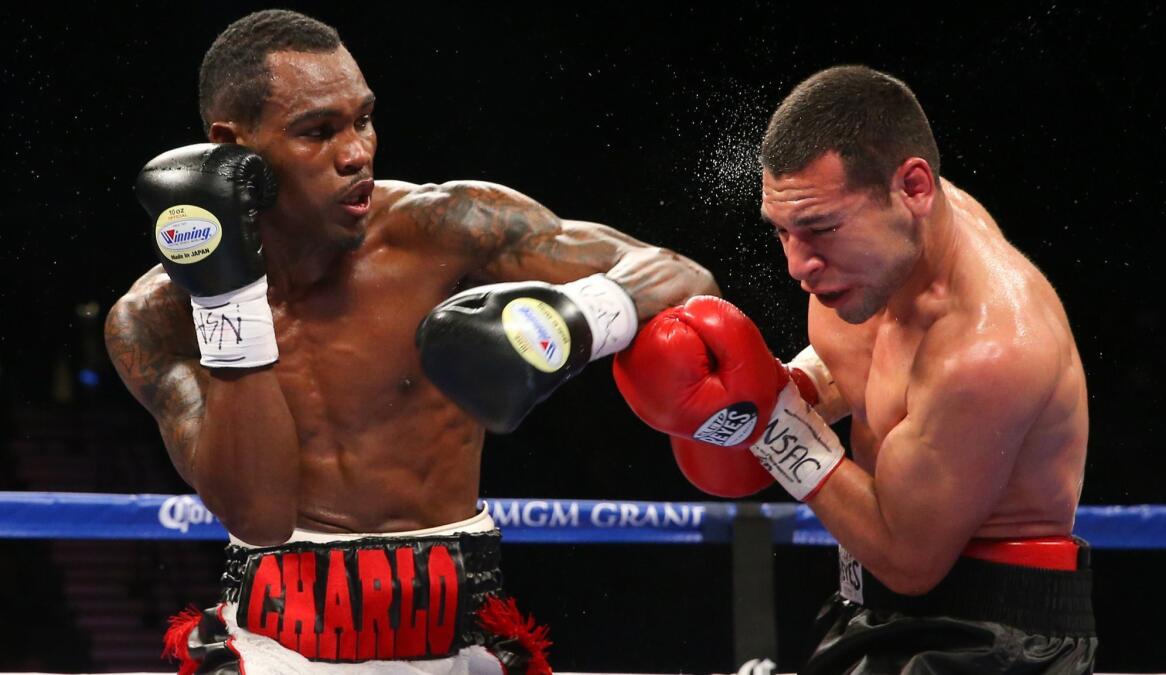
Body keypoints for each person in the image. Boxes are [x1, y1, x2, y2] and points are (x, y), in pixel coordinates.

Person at [105, 9, 718, 674]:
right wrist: (229, 300)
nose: (356, 152)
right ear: (232, 145)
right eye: (318, 130)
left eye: (363, 119)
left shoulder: (440, 229)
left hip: (458, 644)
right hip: (273, 648)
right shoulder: (157, 319)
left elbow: (681, 275)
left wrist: (578, 317)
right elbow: (258, 513)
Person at [613, 65, 1097, 673]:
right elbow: (881, 367)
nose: (798, 265)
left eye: (819, 229)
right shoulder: (884, 255)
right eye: (783, 232)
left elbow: (907, 559)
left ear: (914, 188)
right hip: (868, 604)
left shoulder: (988, 350)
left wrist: (772, 421)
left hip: (990, 639)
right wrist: (800, 388)